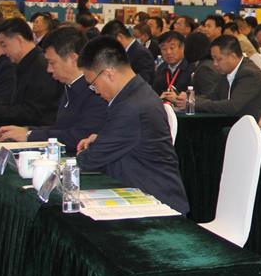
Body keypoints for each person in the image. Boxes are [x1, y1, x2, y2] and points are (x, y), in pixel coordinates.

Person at [74, 37, 189, 213]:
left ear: (108, 74)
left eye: (93, 84)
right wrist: (102, 140)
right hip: (144, 192)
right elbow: (130, 138)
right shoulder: (138, 91)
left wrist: (84, 154)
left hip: (157, 204)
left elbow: (89, 160)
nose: (95, 91)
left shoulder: (131, 106)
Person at [0, 26, 109, 151]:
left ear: (73, 59)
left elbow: (79, 136)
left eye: (52, 63)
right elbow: (60, 128)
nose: (49, 69)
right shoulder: (69, 86)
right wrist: (27, 130)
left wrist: (30, 135)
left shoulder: (97, 91)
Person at [170, 35, 261, 120]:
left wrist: (193, 103)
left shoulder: (249, 74)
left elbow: (232, 106)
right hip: (235, 121)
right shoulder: (227, 71)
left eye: (218, 59)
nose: (215, 64)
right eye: (213, 59)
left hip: (256, 126)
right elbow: (213, 97)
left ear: (233, 56)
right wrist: (190, 99)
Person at [100, 21, 157, 87]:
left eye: (110, 44)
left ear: (119, 37)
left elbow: (142, 83)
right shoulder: (123, 52)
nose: (109, 48)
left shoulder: (142, 54)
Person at [152, 31, 198, 96]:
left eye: (172, 48)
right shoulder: (160, 69)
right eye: (164, 49)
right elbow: (154, 93)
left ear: (182, 48)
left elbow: (199, 96)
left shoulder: (192, 68)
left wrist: (180, 98)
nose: (168, 52)